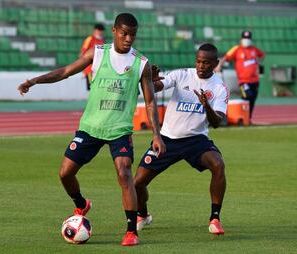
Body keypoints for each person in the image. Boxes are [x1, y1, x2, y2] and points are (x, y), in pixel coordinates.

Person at [18, 13, 166, 246]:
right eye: (125, 33)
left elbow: (149, 102)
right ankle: (81, 203)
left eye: (133, 35)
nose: (129, 39)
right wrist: (35, 80)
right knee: (65, 173)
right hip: (91, 127)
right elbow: (65, 71)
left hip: (119, 129)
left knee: (125, 174)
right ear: (115, 31)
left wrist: (156, 134)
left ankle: (131, 232)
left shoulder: (141, 63)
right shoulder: (97, 53)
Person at [134, 43, 229, 236]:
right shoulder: (182, 74)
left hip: (196, 140)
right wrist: (151, 81)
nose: (201, 66)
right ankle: (143, 215)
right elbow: (159, 86)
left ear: (215, 63)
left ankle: (215, 219)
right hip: (168, 139)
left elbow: (217, 122)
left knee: (218, 165)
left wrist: (206, 106)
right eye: (199, 61)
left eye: (206, 63)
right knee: (137, 183)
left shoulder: (219, 87)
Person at [215, 31, 265, 121]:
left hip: (255, 80)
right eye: (245, 38)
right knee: (246, 97)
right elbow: (226, 57)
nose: (247, 40)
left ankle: (248, 118)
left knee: (253, 99)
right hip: (243, 81)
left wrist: (258, 62)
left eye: (248, 38)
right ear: (241, 39)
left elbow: (262, 55)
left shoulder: (254, 49)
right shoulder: (237, 49)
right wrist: (219, 65)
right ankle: (243, 116)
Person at [80, 23, 105, 90]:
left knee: (98, 88)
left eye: (101, 30)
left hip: (99, 68)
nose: (100, 32)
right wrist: (82, 67)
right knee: (92, 88)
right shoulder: (89, 39)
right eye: (99, 30)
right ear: (95, 30)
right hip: (90, 69)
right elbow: (82, 53)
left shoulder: (102, 41)